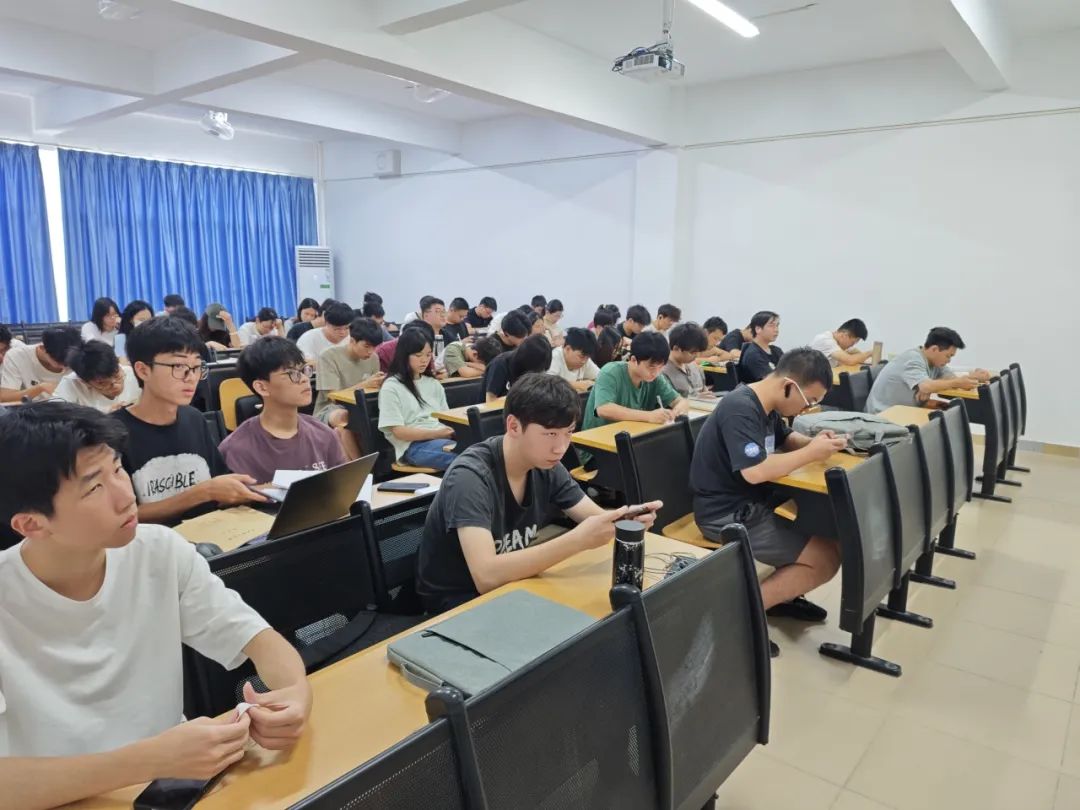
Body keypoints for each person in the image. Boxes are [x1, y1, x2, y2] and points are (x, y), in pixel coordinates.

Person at [0, 402, 312, 806]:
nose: (124, 495)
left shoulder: (159, 550)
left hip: (172, 787)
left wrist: (296, 692)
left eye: (118, 469)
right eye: (94, 488)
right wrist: (148, 760)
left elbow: (258, 638)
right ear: (31, 524)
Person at [415, 373, 661, 614]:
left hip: (511, 587)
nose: (561, 447)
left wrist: (625, 520)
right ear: (514, 426)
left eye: (568, 432)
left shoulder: (547, 466)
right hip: (457, 605)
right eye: (550, 434)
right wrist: (577, 540)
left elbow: (594, 518)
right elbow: (486, 576)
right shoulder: (470, 477)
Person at [691, 348, 848, 656]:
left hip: (754, 502)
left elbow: (784, 438)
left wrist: (817, 444)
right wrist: (811, 453)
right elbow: (754, 471)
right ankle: (739, 617)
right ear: (789, 386)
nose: (807, 408)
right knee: (825, 560)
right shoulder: (740, 408)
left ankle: (780, 597)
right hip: (725, 514)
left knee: (829, 533)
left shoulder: (767, 404)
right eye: (809, 400)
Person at [114, 316, 268, 523]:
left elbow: (218, 482)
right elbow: (120, 517)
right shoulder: (112, 434)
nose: (191, 377)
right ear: (143, 370)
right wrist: (202, 493)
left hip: (213, 533)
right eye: (179, 366)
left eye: (196, 367)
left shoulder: (194, 418)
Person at [220, 338, 347, 483]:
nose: (304, 379)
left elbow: (342, 485)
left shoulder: (323, 433)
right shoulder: (237, 449)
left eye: (303, 370)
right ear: (262, 387)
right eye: (292, 373)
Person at [578, 332, 689, 465]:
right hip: (599, 451)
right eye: (651, 367)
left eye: (661, 367)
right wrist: (649, 416)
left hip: (633, 444)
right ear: (633, 360)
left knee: (676, 457)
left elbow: (681, 401)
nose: (656, 372)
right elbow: (604, 409)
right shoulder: (611, 372)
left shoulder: (656, 378)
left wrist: (675, 413)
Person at [378, 328, 456, 471]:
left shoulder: (433, 383)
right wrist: (436, 434)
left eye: (428, 355)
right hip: (413, 446)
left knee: (482, 450)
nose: (424, 360)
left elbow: (446, 418)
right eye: (418, 355)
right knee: (467, 458)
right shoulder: (391, 387)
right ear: (404, 355)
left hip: (441, 439)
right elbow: (399, 432)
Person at [866, 327, 990, 414]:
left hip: (904, 410)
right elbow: (926, 386)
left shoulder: (935, 363)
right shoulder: (913, 358)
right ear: (935, 349)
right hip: (882, 415)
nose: (949, 360)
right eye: (948, 356)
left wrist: (973, 377)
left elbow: (949, 378)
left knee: (950, 413)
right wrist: (932, 386)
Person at [314, 317, 386, 459]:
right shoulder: (329, 357)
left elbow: (373, 390)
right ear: (352, 341)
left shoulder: (373, 358)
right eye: (366, 346)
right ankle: (362, 466)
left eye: (374, 347)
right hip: (330, 408)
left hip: (360, 407)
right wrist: (364, 385)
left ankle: (373, 464)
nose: (371, 351)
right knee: (345, 420)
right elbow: (331, 396)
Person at [53, 341, 141, 413]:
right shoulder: (71, 383)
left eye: (117, 376)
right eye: (102, 383)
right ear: (84, 381)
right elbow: (54, 417)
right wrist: (103, 415)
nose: (115, 386)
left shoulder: (133, 373)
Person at [0, 326, 81, 403]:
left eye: (68, 364)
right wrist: (41, 387)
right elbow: (4, 397)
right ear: (42, 348)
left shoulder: (79, 356)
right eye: (59, 363)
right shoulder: (18, 356)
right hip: (36, 409)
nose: (64, 368)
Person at [483, 334, 553, 402]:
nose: (538, 373)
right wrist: (519, 398)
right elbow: (490, 400)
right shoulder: (499, 365)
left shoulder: (537, 367)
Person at [662, 322, 711, 398]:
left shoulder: (694, 366)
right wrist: (696, 399)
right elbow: (667, 400)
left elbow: (704, 389)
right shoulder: (663, 372)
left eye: (698, 352)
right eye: (692, 353)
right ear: (676, 348)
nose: (696, 356)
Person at [736, 311, 784, 384]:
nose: (776, 330)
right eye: (771, 326)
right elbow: (771, 382)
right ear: (758, 329)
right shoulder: (753, 354)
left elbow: (790, 372)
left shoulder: (776, 350)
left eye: (777, 325)